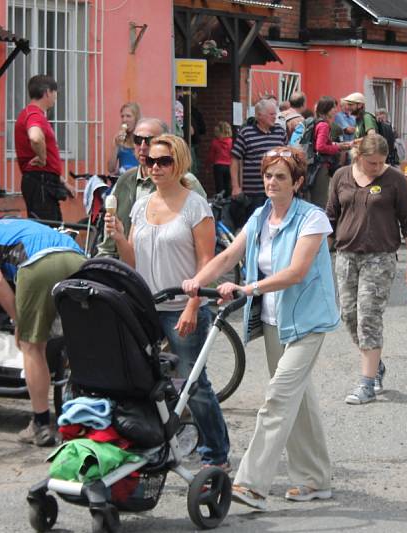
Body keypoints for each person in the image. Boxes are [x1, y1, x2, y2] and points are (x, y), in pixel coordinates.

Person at [182, 146, 339, 510]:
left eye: (280, 176)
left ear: (297, 182)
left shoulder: (311, 219)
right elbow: (227, 256)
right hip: (272, 321)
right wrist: (195, 282)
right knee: (297, 399)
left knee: (277, 399)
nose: (271, 181)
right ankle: (316, 480)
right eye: (268, 175)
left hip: (307, 322)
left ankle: (250, 484)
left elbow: (297, 272)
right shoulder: (259, 217)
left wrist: (247, 288)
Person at [104, 134, 230, 469]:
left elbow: (207, 262)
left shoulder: (195, 206)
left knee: (194, 384)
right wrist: (117, 235)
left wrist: (192, 305)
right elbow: (131, 261)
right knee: (141, 380)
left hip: (182, 307)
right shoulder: (141, 205)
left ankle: (216, 454)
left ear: (179, 163)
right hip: (146, 307)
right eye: (150, 162)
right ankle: (152, 443)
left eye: (164, 161)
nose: (156, 167)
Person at [0, 218, 86, 446]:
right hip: (79, 259)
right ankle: (88, 418)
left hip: (39, 264)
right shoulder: (12, 226)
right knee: (79, 343)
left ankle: (41, 425)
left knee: (32, 348)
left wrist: (18, 319)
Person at [326, 134, 407, 404]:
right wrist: (316, 256)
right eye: (371, 163)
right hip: (346, 255)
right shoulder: (341, 176)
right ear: (359, 156)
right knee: (348, 316)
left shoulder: (395, 180)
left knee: (369, 316)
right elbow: (330, 217)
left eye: (381, 162)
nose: (376, 168)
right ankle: (375, 363)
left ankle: (366, 384)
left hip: (380, 257)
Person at [96, 118, 206, 258]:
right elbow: (109, 245)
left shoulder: (186, 181)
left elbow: (204, 247)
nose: (142, 146)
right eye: (137, 139)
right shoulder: (125, 181)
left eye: (149, 140)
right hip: (130, 271)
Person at [14, 75, 72, 220]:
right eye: (55, 92)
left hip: (42, 180)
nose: (55, 96)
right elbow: (35, 136)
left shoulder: (31, 113)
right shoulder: (34, 114)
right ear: (47, 92)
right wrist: (42, 157)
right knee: (49, 232)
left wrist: (62, 181)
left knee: (51, 228)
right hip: (40, 182)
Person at [231, 98, 287, 218]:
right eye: (271, 114)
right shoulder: (246, 133)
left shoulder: (280, 132)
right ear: (260, 116)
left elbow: (287, 158)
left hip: (277, 189)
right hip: (254, 193)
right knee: (255, 226)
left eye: (275, 114)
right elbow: (235, 160)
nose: (275, 117)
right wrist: (236, 187)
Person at [310, 96, 352, 208]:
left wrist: (337, 145)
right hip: (321, 166)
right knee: (320, 200)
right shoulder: (324, 125)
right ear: (326, 108)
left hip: (316, 165)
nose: (336, 110)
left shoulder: (318, 122)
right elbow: (320, 147)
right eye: (333, 107)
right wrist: (338, 148)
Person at [107, 102, 141, 174]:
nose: (124, 120)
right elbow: (111, 169)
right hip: (123, 180)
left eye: (128, 116)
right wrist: (116, 146)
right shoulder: (118, 139)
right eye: (122, 116)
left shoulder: (142, 139)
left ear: (136, 119)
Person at [208, 121, 233, 197]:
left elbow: (211, 155)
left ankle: (220, 202)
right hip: (229, 166)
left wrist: (208, 165)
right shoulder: (231, 142)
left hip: (218, 166)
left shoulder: (215, 142)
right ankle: (228, 201)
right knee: (227, 185)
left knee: (219, 186)